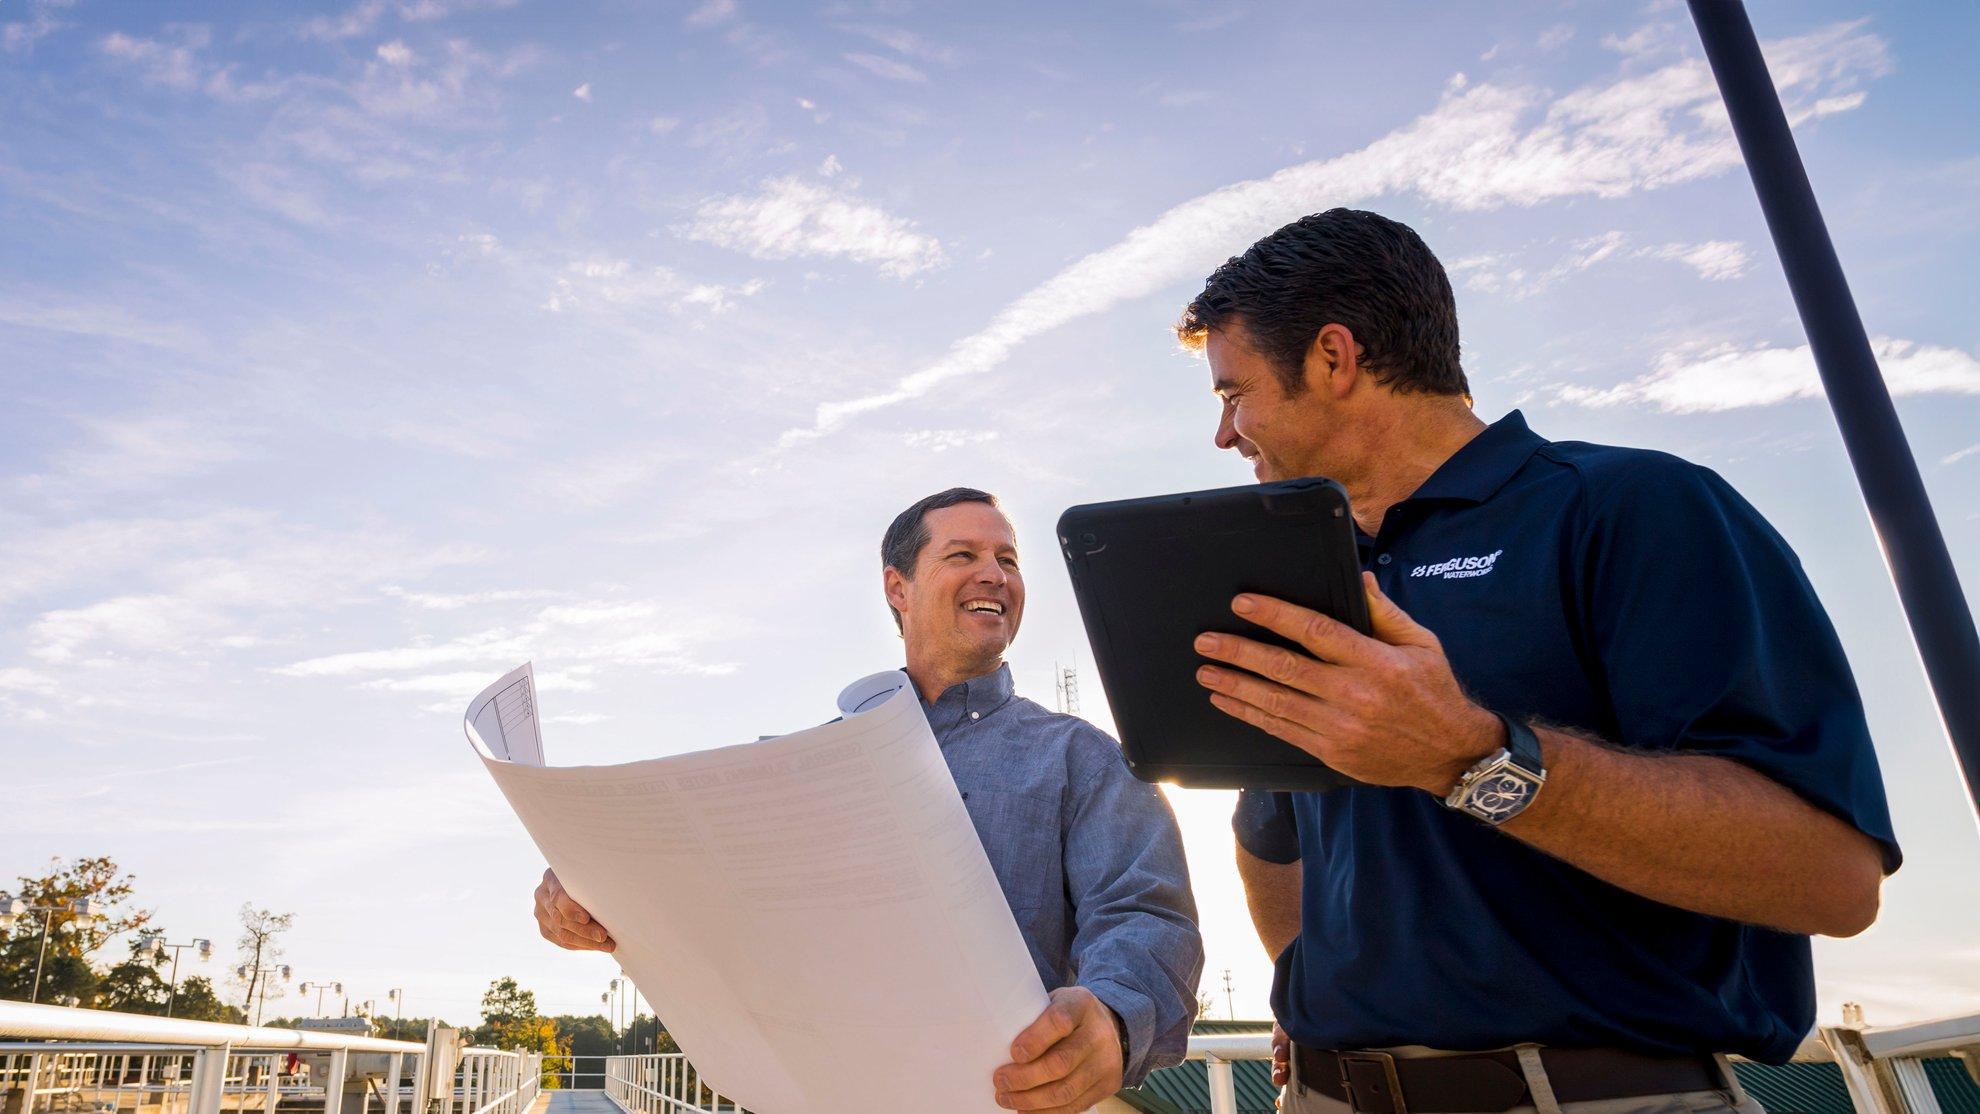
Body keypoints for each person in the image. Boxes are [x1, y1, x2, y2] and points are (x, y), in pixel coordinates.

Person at [1174, 209, 1899, 1114]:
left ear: (1333, 357)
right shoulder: (1310, 579)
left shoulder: (1635, 510)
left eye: (1231, 393)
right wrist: (1313, 990)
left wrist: (1470, 758)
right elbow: (1269, 838)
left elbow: (1831, 878)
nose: (1225, 432)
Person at [533, 488, 1204, 1114]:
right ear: (898, 587)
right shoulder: (801, 766)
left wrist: (1114, 1019)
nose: (995, 575)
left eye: (1008, 560)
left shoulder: (1084, 758)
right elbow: (699, 889)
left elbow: (1145, 914)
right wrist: (589, 888)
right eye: (963, 555)